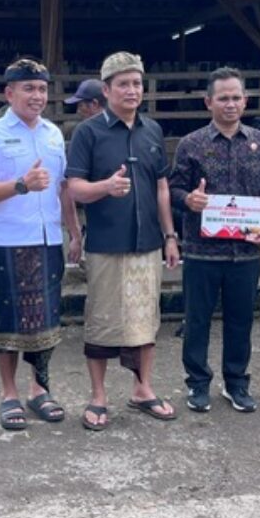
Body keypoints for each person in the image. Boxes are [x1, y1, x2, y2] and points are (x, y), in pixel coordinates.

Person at [0, 58, 83, 431]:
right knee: (9, 320)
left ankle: (39, 389)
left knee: (47, 319)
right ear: (9, 92)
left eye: (42, 89)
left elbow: (63, 188)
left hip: (49, 240)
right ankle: (8, 394)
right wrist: (20, 184)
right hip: (10, 242)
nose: (37, 96)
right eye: (28, 88)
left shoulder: (52, 133)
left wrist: (75, 232)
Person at [67, 51, 181, 430]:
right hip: (106, 242)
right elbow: (75, 188)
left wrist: (169, 235)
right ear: (107, 89)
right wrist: (105, 186)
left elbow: (161, 186)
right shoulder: (89, 132)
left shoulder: (152, 130)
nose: (131, 90)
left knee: (145, 319)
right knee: (102, 319)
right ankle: (98, 395)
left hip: (148, 240)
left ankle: (142, 388)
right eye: (123, 84)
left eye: (136, 83)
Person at [169, 67, 260, 413]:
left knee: (240, 320)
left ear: (245, 101)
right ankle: (198, 384)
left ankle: (236, 383)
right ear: (209, 102)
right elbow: (173, 188)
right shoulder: (191, 144)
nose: (230, 104)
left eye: (236, 97)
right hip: (203, 251)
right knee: (197, 320)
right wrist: (188, 200)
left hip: (245, 251)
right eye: (223, 98)